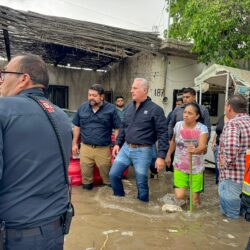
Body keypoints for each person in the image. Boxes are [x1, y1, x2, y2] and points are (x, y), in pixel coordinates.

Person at [0, 54, 72, 249]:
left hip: (16, 236)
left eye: (3, 74)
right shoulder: (62, 116)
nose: (1, 80)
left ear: (24, 78)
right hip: (55, 230)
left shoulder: (3, 109)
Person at [109, 78, 169, 202]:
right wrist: (117, 144)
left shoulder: (155, 110)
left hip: (144, 150)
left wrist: (161, 156)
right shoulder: (129, 108)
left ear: (144, 90)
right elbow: (123, 127)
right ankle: (119, 200)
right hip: (126, 148)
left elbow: (163, 134)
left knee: (141, 183)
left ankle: (142, 207)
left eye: (135, 88)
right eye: (132, 88)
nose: (131, 91)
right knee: (113, 175)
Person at [72, 84, 121, 190]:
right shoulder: (82, 108)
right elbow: (77, 126)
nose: (91, 97)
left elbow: (118, 128)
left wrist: (117, 144)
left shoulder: (111, 109)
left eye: (94, 95)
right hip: (85, 149)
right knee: (86, 182)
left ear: (102, 97)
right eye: (89, 95)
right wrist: (74, 143)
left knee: (108, 181)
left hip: (103, 149)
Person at [165, 103, 208, 205]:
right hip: (180, 165)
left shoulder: (202, 128)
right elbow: (174, 141)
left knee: (195, 201)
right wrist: (168, 155)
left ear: (197, 116)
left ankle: (194, 205)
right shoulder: (178, 125)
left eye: (190, 113)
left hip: (196, 168)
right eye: (185, 112)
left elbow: (203, 147)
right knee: (179, 197)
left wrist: (196, 150)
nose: (186, 115)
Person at [218, 94, 250, 219]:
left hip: (233, 177)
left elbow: (231, 146)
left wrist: (225, 162)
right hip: (247, 178)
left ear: (229, 108)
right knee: (244, 215)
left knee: (231, 216)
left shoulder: (233, 124)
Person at [211, 114, 228, 184]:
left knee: (225, 167)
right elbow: (217, 132)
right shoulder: (222, 117)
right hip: (218, 146)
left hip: (227, 147)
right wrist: (213, 142)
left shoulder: (235, 119)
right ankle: (219, 183)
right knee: (218, 167)